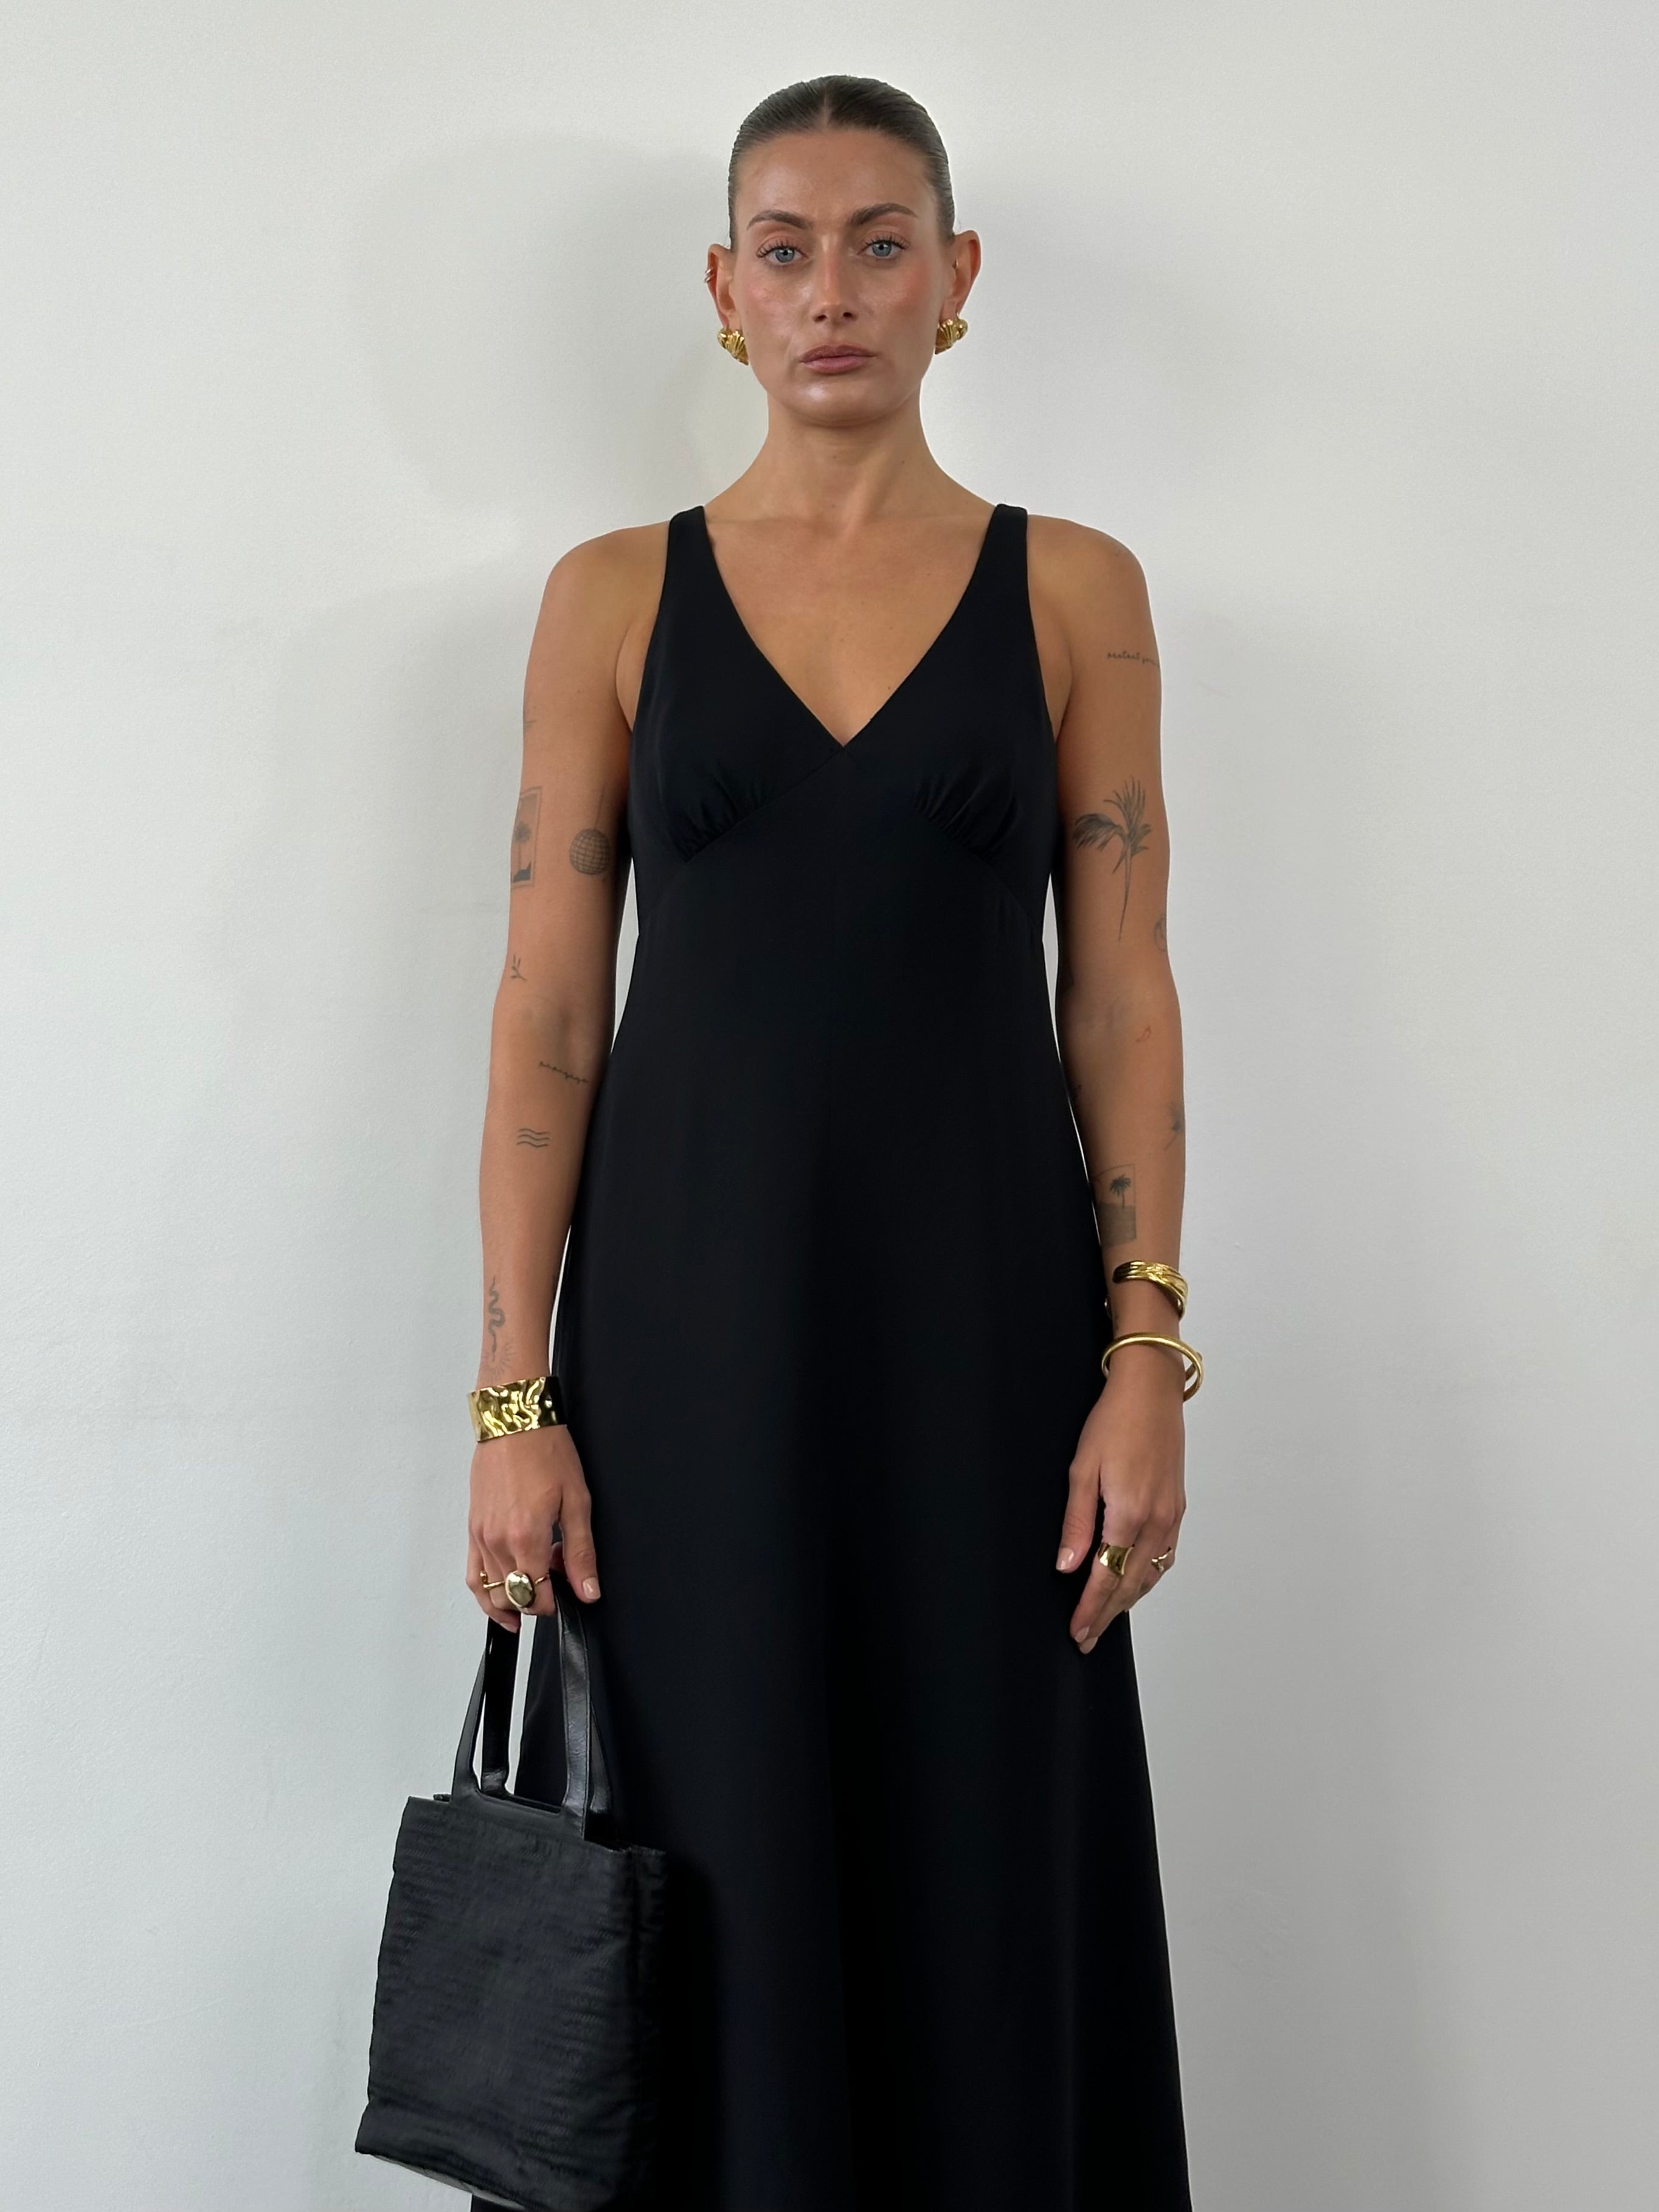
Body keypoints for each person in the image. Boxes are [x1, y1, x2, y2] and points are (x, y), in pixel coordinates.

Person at [462, 72, 1197, 2212]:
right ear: (724, 292)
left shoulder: (1076, 591)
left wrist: (1147, 1351)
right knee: (707, 1865)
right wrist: (515, 1396)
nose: (833, 290)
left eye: (882, 244)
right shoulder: (613, 597)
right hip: (686, 1365)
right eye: (785, 250)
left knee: (988, 1857)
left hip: (992, 1356)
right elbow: (544, 1012)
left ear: (957, 280)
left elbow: (1123, 995)